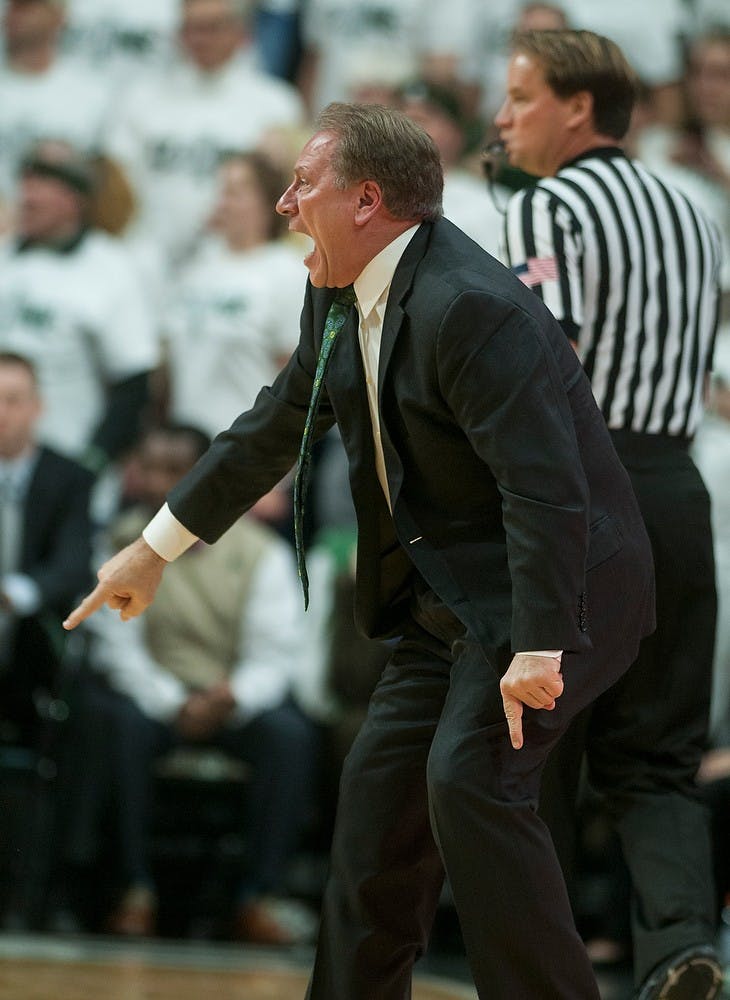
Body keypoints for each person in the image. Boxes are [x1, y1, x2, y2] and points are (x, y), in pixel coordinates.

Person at [65, 101, 655, 999]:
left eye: (303, 184)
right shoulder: (335, 283)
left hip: (560, 592)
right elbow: (278, 422)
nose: (284, 204)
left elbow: (545, 488)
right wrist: (155, 548)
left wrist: (539, 645)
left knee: (470, 784)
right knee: (377, 813)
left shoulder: (473, 308)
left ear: (368, 199)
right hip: (451, 595)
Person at [496, 29, 723, 999]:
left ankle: (536, 971)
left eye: (518, 99)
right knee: (660, 756)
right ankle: (680, 945)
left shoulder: (546, 208)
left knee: (531, 746)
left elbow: (541, 372)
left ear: (576, 108)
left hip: (584, 493)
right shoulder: (697, 207)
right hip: (678, 492)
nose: (500, 119)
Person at [57, 422, 319, 943]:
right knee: (115, 722)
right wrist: (175, 701)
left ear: (203, 475)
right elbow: (117, 648)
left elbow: (276, 650)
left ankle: (258, 896)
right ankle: (133, 889)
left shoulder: (258, 551)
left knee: (290, 736)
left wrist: (232, 696)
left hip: (230, 698)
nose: (158, 481)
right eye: (149, 466)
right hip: (154, 698)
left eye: (173, 470)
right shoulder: (117, 543)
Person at [103, 0, 305, 273]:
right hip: (145, 257)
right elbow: (117, 183)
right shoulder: (142, 99)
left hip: (235, 262)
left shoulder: (275, 104)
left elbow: (286, 196)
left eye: (212, 28)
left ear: (240, 31)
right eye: (190, 28)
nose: (199, 38)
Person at [0, 139, 158, 478]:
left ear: (74, 199)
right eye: (25, 183)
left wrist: (95, 459)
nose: (27, 196)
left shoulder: (110, 267)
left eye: (42, 185)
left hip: (65, 460)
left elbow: (135, 380)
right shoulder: (6, 255)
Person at [0, 351, 93, 748]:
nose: (1, 412)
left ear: (37, 407)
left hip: (31, 628)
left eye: (12, 400)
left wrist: (17, 594)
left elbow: (73, 563)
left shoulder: (69, 477)